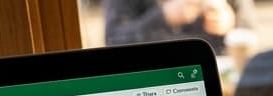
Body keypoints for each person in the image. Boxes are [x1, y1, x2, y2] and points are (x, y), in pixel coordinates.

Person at [103, 0, 256, 52]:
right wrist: (162, 18)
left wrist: (231, 23)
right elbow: (113, 39)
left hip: (217, 77)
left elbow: (251, 36)